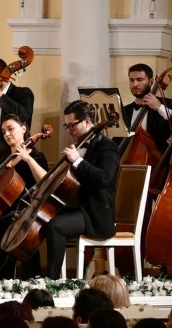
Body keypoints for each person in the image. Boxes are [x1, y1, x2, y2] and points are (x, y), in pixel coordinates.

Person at [43, 100, 120, 279]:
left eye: (72, 126)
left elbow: (104, 179)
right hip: (78, 208)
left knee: (56, 227)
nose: (69, 131)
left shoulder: (108, 147)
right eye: (66, 126)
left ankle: (52, 281)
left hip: (96, 214)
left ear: (87, 121)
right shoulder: (79, 146)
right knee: (46, 220)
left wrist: (78, 161)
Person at [0, 113, 49, 279]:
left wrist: (27, 159)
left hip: (23, 209)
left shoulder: (36, 156)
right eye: (4, 131)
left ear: (24, 129)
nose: (6, 134)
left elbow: (46, 181)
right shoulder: (1, 158)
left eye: (11, 129)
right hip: (0, 209)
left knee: (0, 225)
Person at [122, 63, 172, 153]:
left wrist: (159, 107)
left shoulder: (166, 104)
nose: (135, 84)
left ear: (150, 82)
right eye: (132, 80)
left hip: (157, 163)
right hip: (127, 163)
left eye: (139, 80)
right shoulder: (124, 110)